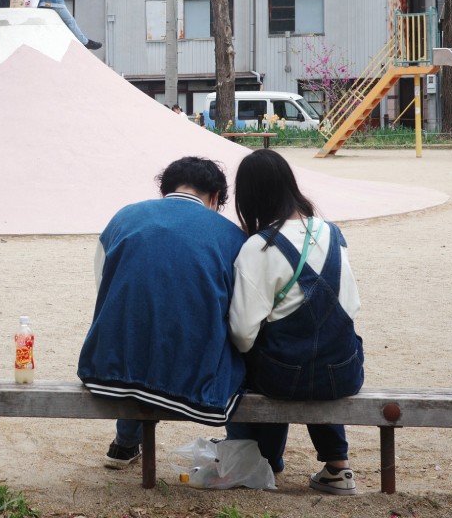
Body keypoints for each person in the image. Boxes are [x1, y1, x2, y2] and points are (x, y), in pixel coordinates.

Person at [77, 157, 246, 469]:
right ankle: (240, 445)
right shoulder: (232, 236)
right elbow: (238, 312)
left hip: (109, 367)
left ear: (166, 189)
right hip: (196, 380)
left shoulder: (123, 217)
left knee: (137, 325)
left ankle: (125, 443)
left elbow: (104, 284)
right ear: (213, 197)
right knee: (235, 343)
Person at [225, 149, 364, 496]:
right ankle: (338, 465)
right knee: (320, 359)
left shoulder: (258, 247)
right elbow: (353, 304)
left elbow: (242, 332)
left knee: (250, 360)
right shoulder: (333, 234)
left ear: (250, 196)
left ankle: (266, 458)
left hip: (283, 376)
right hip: (343, 372)